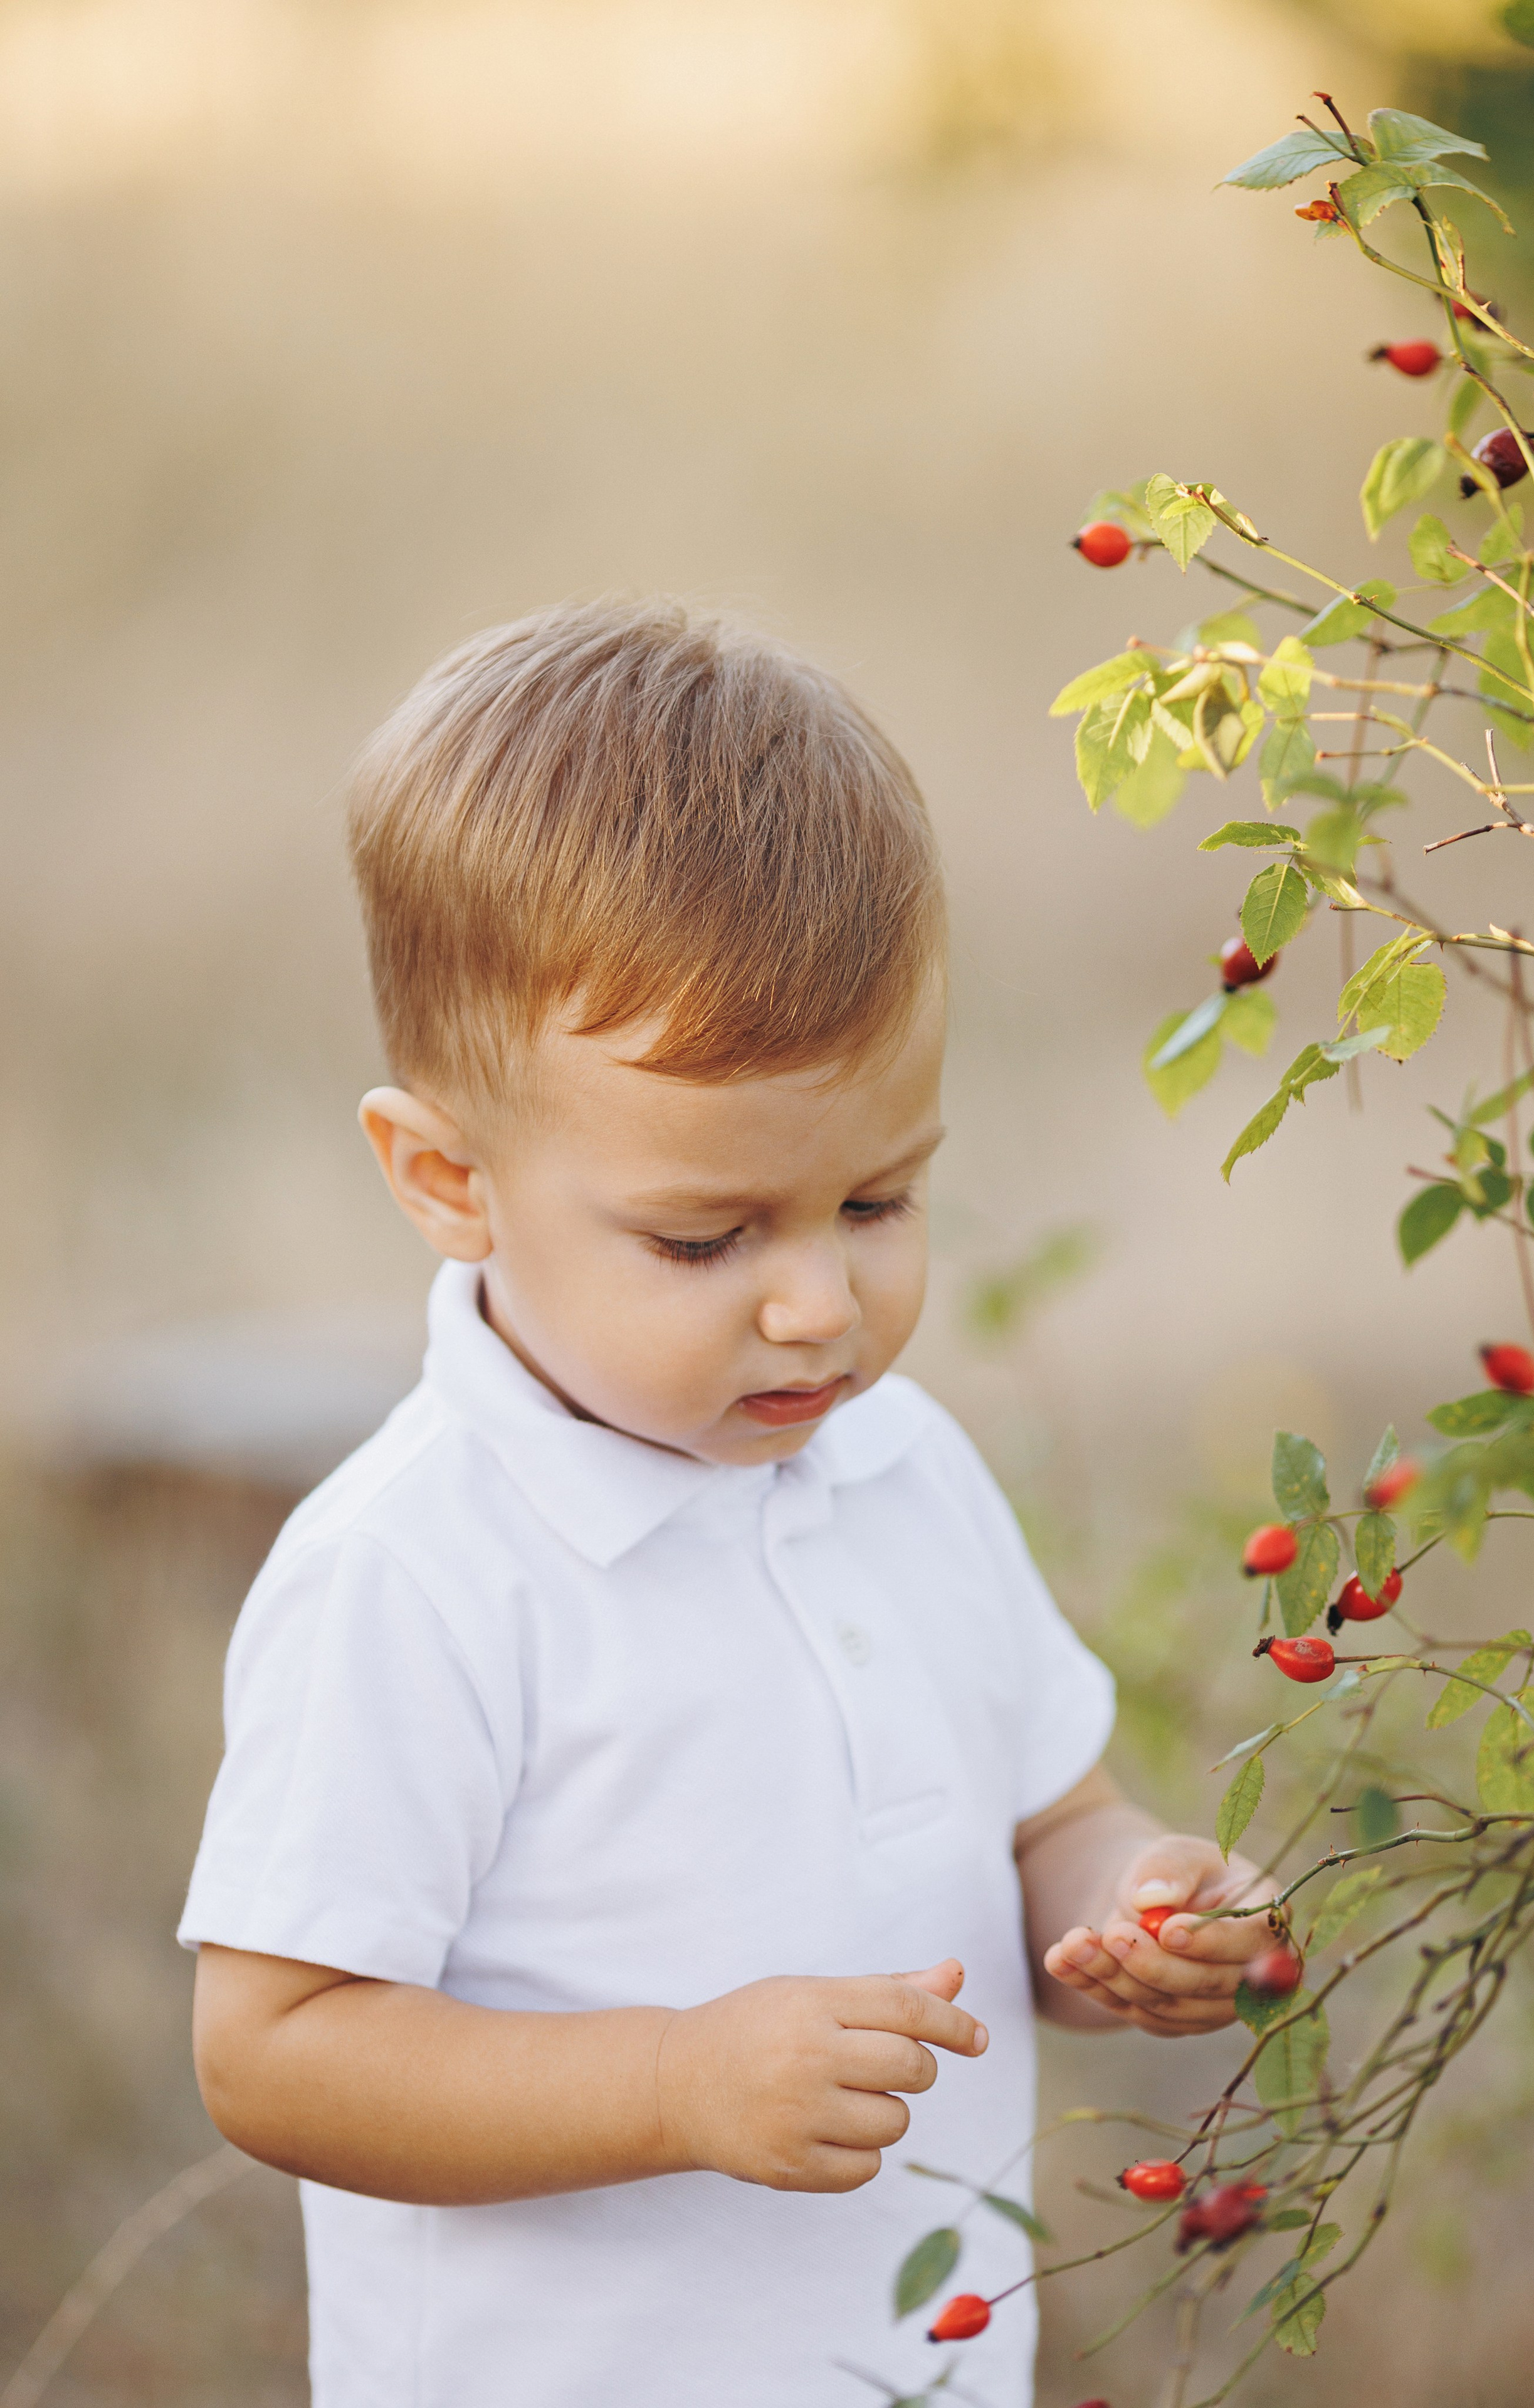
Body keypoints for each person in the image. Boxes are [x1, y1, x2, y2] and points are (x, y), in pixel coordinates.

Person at [180, 599, 1273, 2407]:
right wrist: (678, 2081)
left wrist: (1129, 1909)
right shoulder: (417, 1571)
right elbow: (276, 2051)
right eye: (707, 1236)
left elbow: (1045, 1823)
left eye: (878, 1199)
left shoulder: (905, 1472)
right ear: (448, 1176)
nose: (818, 1306)